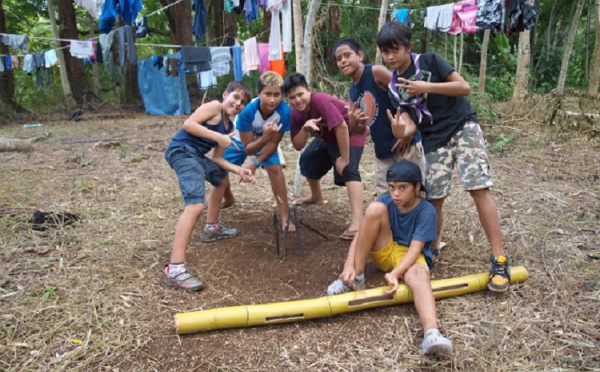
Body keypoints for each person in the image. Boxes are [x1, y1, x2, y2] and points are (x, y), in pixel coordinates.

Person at [377, 21, 510, 292]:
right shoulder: (393, 86)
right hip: (434, 138)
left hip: (463, 125)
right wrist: (402, 129)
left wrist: (426, 86)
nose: (390, 57)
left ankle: (499, 258)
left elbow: (464, 88)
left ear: (409, 47)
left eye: (395, 50)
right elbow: (412, 121)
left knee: (478, 188)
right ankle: (432, 248)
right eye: (385, 51)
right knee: (434, 196)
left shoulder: (430, 61)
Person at [326, 160, 453, 356]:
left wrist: (396, 273)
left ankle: (431, 334)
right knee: (374, 209)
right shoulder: (386, 201)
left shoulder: (426, 210)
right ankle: (356, 277)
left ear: (416, 187)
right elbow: (361, 235)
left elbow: (415, 249)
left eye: (403, 188)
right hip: (386, 249)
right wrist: (348, 266)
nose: (396, 194)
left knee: (419, 276)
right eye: (392, 187)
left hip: (410, 255)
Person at [163, 81, 255, 291]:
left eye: (243, 103)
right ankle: (175, 270)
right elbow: (188, 124)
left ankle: (211, 228)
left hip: (196, 156)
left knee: (221, 178)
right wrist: (217, 136)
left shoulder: (229, 127)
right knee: (195, 205)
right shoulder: (214, 107)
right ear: (225, 95)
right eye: (235, 97)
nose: (238, 104)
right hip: (182, 151)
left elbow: (218, 159)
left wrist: (239, 170)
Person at [333, 38, 426, 197]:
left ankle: (421, 221)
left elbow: (405, 96)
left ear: (360, 55)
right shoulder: (353, 92)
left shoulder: (375, 72)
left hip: (405, 145)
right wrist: (354, 122)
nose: (343, 61)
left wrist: (407, 133)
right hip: (383, 150)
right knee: (385, 197)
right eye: (339, 59)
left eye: (347, 55)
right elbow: (360, 129)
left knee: (414, 193)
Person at [283, 73, 366, 240]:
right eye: (292, 97)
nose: (298, 100)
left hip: (350, 133)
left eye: (300, 94)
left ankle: (358, 222)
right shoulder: (295, 114)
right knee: (307, 159)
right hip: (328, 137)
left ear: (309, 90)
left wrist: (343, 158)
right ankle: (316, 197)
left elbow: (342, 126)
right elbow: (297, 145)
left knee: (348, 169)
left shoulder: (320, 100)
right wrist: (305, 130)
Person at [217, 71, 295, 231]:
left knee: (275, 168)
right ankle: (228, 197)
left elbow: (274, 143)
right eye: (267, 94)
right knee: (219, 167)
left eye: (277, 94)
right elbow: (248, 148)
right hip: (241, 140)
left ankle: (285, 215)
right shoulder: (248, 112)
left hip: (267, 140)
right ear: (259, 93)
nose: (272, 99)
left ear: (282, 95)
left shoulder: (285, 112)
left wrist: (255, 163)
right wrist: (264, 138)